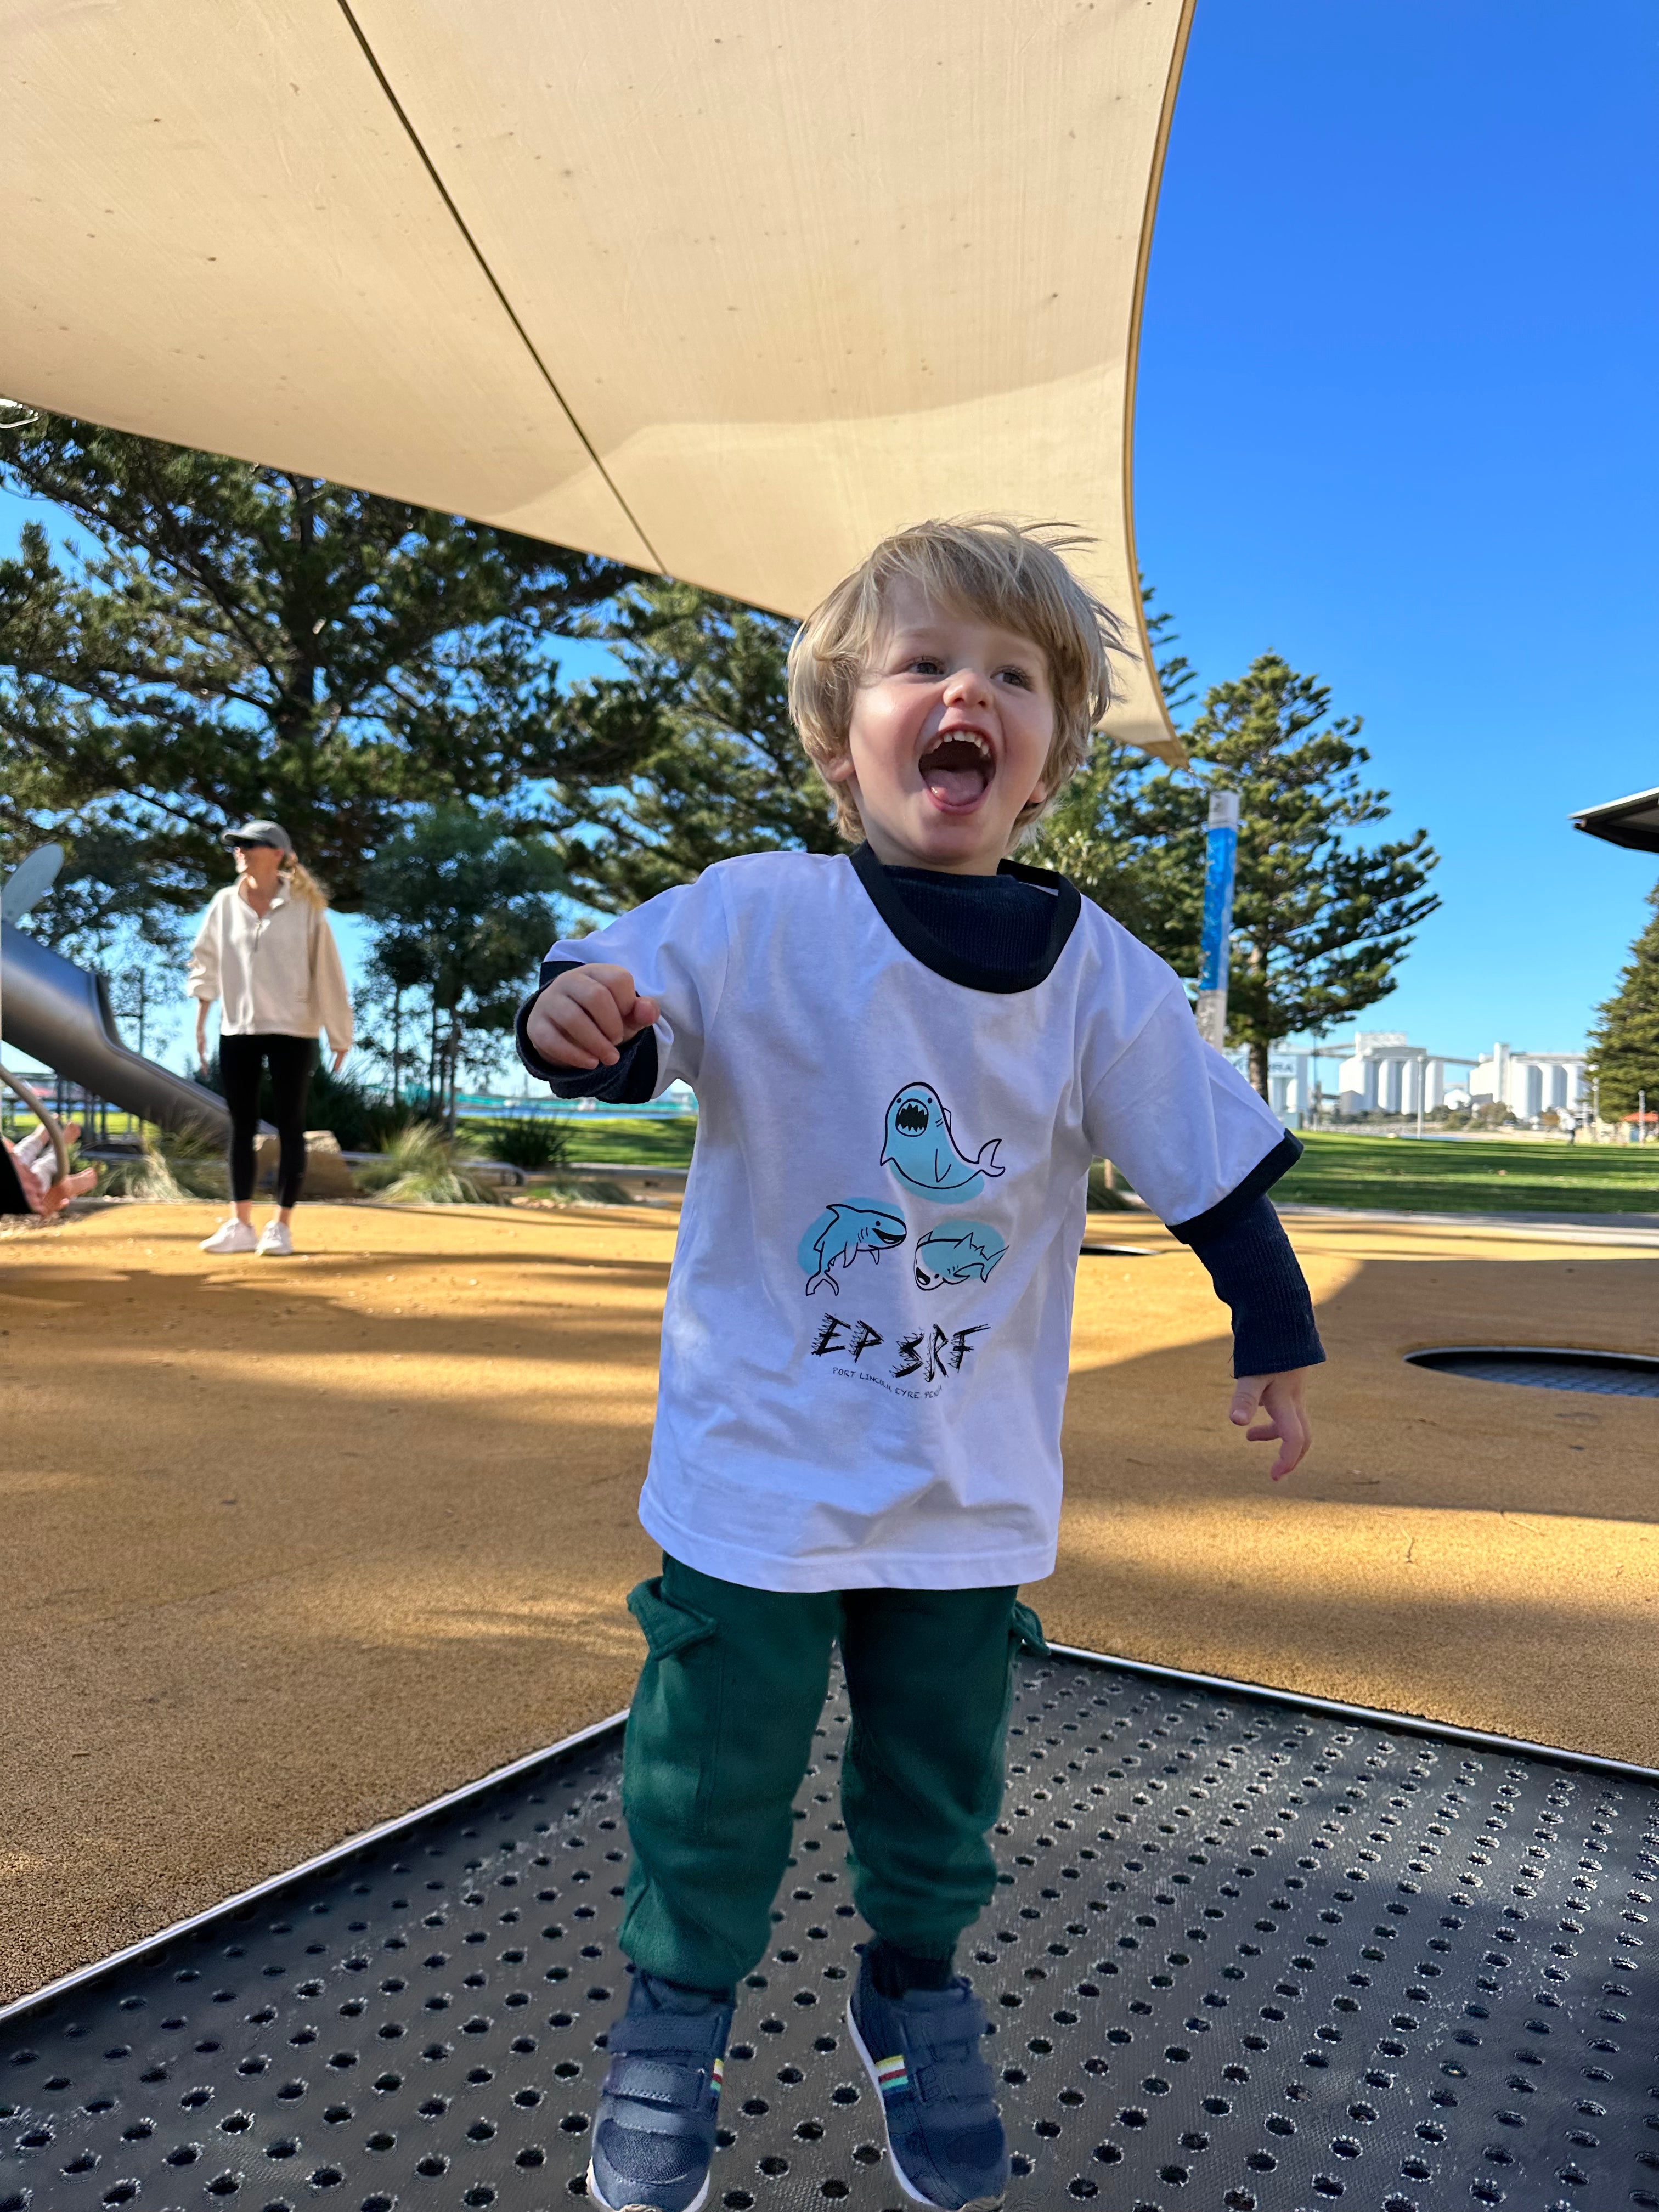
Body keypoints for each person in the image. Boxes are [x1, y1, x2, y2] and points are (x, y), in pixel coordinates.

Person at [515, 519, 1324, 2212]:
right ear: (839, 739)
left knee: (940, 1772)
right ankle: (676, 2012)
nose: (970, 692)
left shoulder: (1095, 971)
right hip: (759, 1470)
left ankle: (913, 1982)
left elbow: (1204, 1160)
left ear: (1045, 758)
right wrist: (579, 1021)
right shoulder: (755, 918)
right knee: (711, 1759)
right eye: (923, 665)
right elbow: (609, 998)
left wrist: (1274, 1328)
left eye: (1015, 678)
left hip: (966, 1482)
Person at [188, 821, 353, 1257]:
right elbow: (205, 960)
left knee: (291, 1127)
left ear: (277, 853)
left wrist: (340, 1033)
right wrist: (203, 1018)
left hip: (294, 1031)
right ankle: (240, 1224)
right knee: (240, 1128)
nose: (239, 851)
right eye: (237, 845)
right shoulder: (225, 903)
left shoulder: (307, 907)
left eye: (249, 844)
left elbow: (329, 972)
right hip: (238, 1029)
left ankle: (281, 1226)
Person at [4, 1119, 98, 1215]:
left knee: (19, 1156)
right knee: (42, 1169)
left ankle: (41, 1138)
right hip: (18, 1197)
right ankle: (67, 1182)